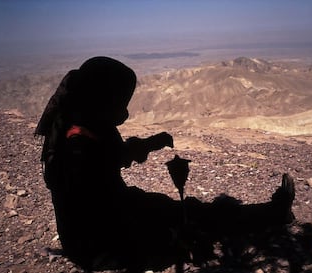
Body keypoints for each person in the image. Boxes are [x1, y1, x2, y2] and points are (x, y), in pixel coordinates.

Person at [35, 56, 295, 272]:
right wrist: (169, 237)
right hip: (100, 244)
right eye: (119, 100)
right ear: (103, 97)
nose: (123, 109)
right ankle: (275, 214)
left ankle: (269, 213)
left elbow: (114, 159)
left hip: (96, 229)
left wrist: (149, 144)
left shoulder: (74, 124)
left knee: (179, 209)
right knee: (193, 216)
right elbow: (101, 209)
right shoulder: (79, 144)